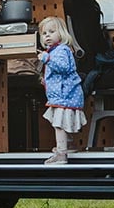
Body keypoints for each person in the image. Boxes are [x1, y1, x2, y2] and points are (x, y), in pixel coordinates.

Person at [37, 16, 87, 165]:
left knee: (59, 124)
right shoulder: (55, 51)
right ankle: (69, 146)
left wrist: (47, 59)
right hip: (64, 95)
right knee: (63, 122)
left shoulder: (61, 50)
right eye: (44, 33)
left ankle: (61, 154)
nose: (47, 35)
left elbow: (63, 68)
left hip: (65, 95)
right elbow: (57, 74)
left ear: (61, 33)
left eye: (52, 32)